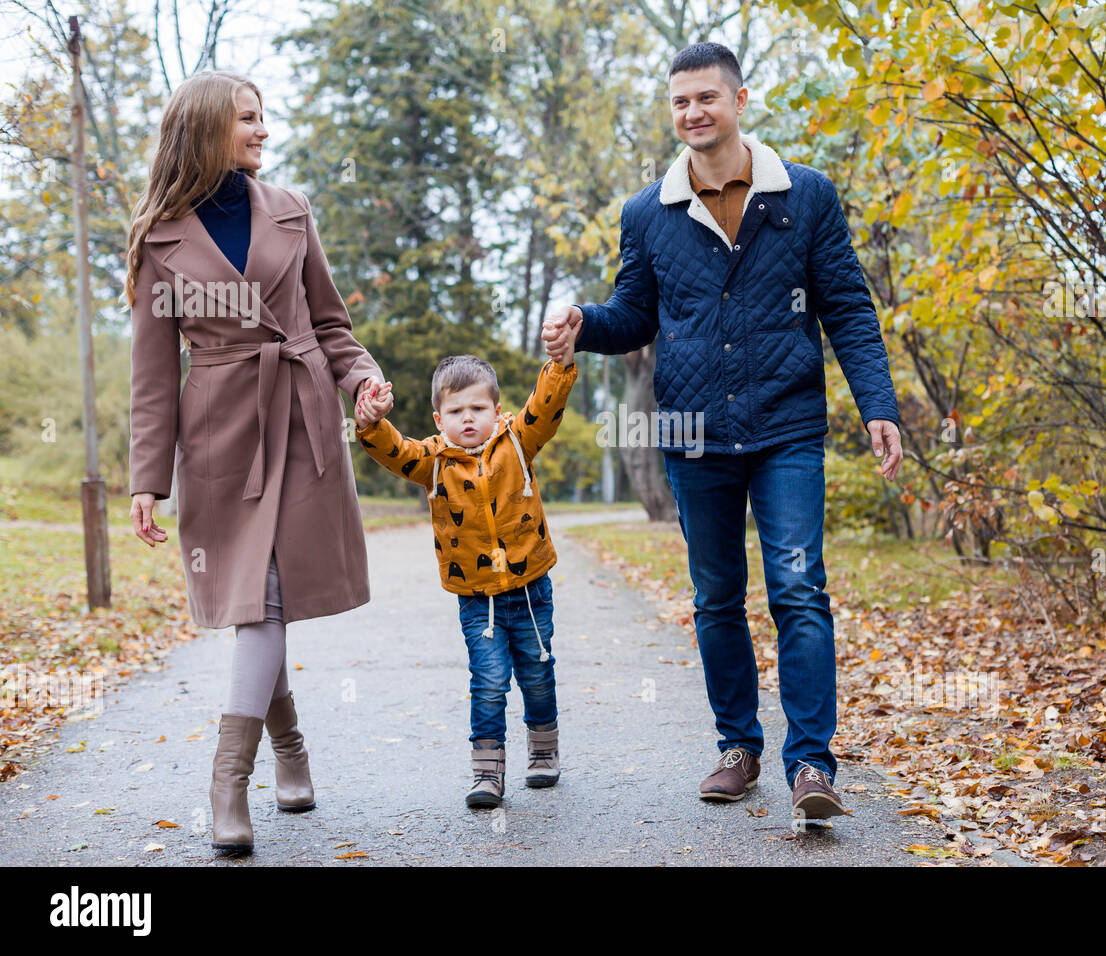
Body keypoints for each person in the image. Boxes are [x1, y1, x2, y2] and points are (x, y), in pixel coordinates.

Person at [542, 42, 903, 820]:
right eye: (679, 102)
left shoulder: (804, 196)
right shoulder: (649, 213)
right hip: (693, 432)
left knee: (800, 590)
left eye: (706, 98)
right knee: (715, 598)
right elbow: (636, 313)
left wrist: (879, 404)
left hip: (788, 427)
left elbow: (846, 307)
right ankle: (738, 747)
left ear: (742, 100)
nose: (692, 113)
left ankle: (811, 765)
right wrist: (583, 325)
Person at [125, 70, 391, 855]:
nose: (262, 131)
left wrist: (362, 378)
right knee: (255, 599)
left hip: (304, 419)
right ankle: (289, 751)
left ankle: (227, 780)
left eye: (263, 118)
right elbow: (151, 374)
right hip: (220, 434)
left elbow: (331, 322)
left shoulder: (291, 211)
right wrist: (148, 480)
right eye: (247, 119)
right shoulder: (158, 239)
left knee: (268, 599)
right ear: (208, 129)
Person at [353, 322, 581, 808]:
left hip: (528, 589)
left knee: (538, 674)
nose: (469, 418)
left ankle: (543, 749)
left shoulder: (518, 440)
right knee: (489, 679)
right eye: (456, 411)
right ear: (439, 420)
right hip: (477, 597)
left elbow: (545, 409)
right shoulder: (434, 461)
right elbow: (397, 452)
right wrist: (372, 423)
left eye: (478, 408)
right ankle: (487, 771)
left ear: (497, 411)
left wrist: (560, 365)